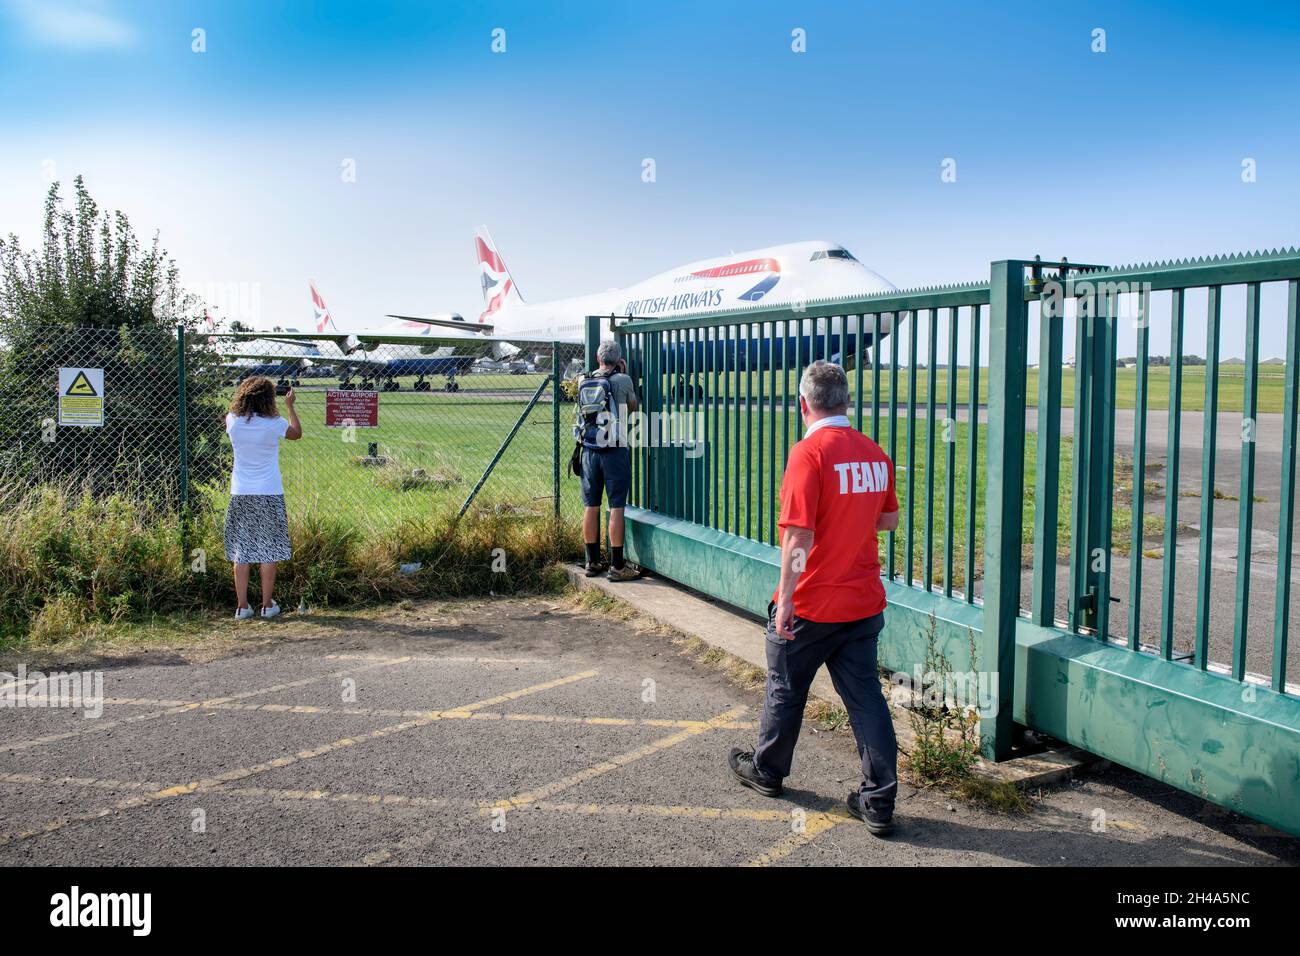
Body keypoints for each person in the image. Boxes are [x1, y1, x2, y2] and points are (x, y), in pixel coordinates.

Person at [727, 360, 902, 835]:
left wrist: (786, 598)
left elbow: (799, 535)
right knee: (866, 699)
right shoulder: (873, 452)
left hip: (814, 603)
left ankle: (768, 770)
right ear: (845, 400)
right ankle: (878, 801)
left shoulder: (809, 453)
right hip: (862, 602)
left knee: (786, 687)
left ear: (803, 404)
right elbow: (888, 520)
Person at [223, 376, 303, 620]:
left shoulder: (232, 422)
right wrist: (290, 407)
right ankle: (267, 605)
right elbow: (296, 434)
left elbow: (232, 417)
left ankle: (242, 606)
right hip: (268, 492)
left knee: (241, 551)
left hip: (241, 493)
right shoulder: (274, 423)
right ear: (269, 399)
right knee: (269, 551)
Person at [577, 340, 639, 581]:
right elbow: (632, 407)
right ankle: (617, 566)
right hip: (614, 449)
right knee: (616, 507)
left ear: (597, 357)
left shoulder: (583, 380)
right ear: (619, 359)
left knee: (591, 506)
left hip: (589, 450)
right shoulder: (623, 380)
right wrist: (624, 375)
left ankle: (591, 562)